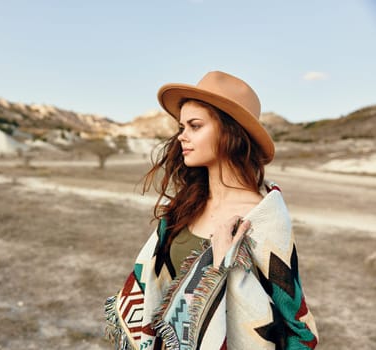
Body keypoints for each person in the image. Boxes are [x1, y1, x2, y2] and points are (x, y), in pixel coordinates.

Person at [105, 71, 319, 349]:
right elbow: (153, 282)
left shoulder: (262, 217)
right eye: (181, 127)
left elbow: (296, 326)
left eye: (195, 126)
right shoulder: (184, 205)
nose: (182, 136)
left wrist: (223, 269)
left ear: (230, 131)